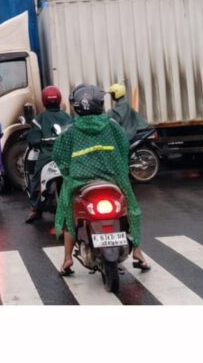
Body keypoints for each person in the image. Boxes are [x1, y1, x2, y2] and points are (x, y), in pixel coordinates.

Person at [53, 84, 148, 276]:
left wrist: (68, 173)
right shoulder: (113, 126)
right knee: (131, 209)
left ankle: (67, 259)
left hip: (79, 182)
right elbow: (124, 150)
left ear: (76, 107)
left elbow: (59, 157)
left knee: (68, 212)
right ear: (100, 104)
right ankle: (137, 252)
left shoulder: (69, 131)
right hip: (113, 179)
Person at [24, 86, 73, 224]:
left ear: (44, 100)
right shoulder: (68, 117)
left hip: (47, 155)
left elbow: (32, 140)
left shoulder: (39, 119)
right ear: (59, 99)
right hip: (66, 155)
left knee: (36, 178)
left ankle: (35, 208)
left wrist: (37, 141)